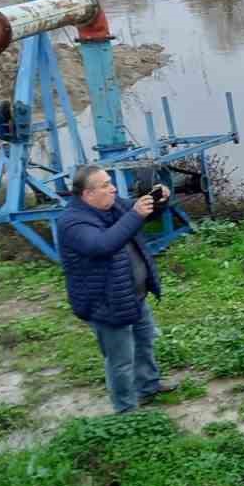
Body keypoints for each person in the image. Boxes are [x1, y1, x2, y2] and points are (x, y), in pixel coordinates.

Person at [59, 165, 179, 413]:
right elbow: (103, 245)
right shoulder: (72, 223)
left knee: (145, 342)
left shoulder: (113, 205)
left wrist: (159, 202)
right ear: (87, 195)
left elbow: (143, 214)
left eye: (110, 182)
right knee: (120, 360)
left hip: (132, 294)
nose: (113, 188)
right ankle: (126, 412)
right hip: (106, 302)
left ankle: (148, 386)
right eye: (105, 185)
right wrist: (135, 214)